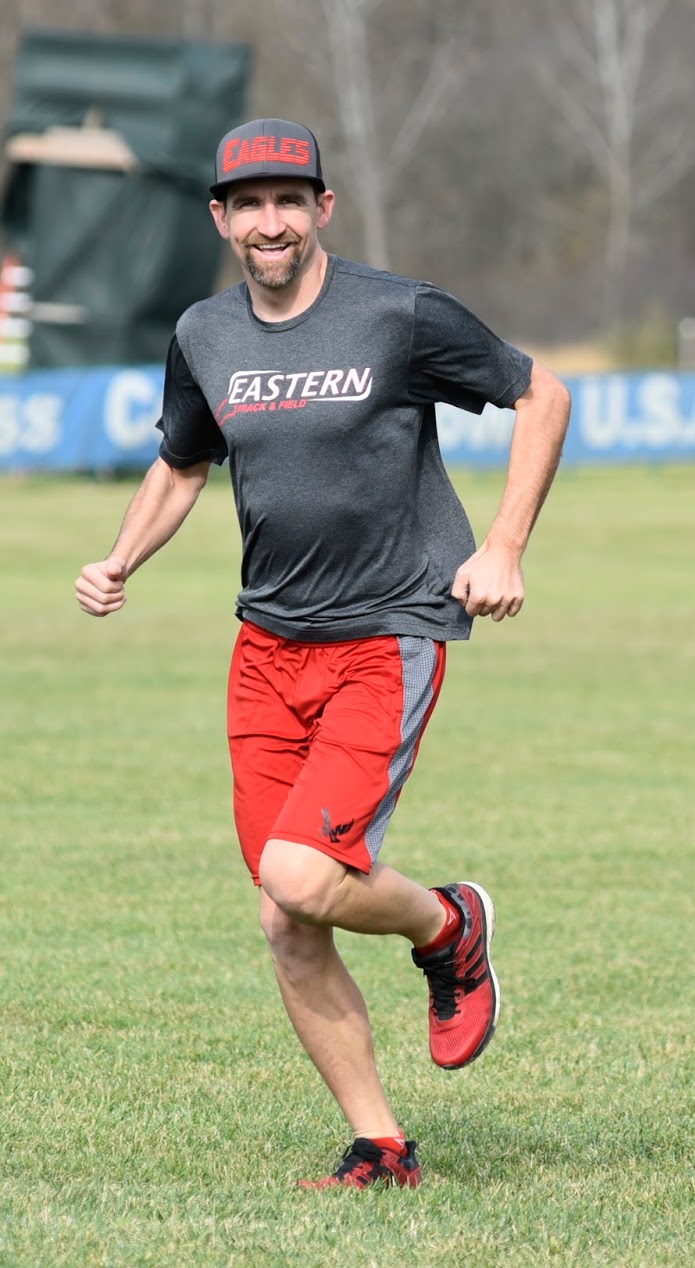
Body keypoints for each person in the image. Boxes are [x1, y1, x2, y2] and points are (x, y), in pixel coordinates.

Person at [74, 118, 571, 1189]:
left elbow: (545, 393)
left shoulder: (398, 313)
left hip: (385, 634)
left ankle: (449, 924)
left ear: (322, 210)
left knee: (304, 874)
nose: (270, 221)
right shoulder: (203, 333)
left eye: (289, 201)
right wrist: (120, 559)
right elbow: (180, 463)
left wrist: (504, 543)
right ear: (221, 217)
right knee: (283, 912)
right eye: (248, 204)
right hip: (266, 647)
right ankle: (383, 1146)